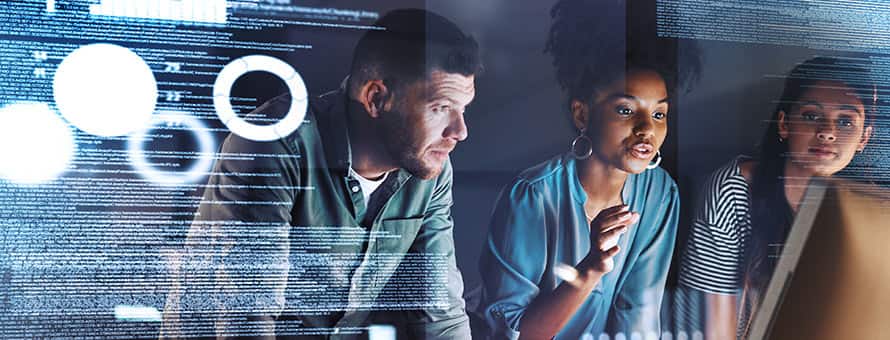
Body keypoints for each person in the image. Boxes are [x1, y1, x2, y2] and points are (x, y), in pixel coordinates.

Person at [160, 9, 483, 339]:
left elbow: (439, 311)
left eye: (463, 110)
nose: (460, 131)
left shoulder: (429, 170)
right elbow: (248, 319)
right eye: (441, 108)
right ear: (377, 98)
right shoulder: (274, 140)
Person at [473, 1, 698, 339]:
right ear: (582, 114)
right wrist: (591, 268)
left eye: (659, 114)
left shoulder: (660, 194)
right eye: (625, 110)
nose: (646, 129)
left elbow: (639, 314)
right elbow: (514, 333)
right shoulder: (533, 195)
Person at [677, 56, 875, 339]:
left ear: (863, 139)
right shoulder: (734, 189)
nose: (827, 132)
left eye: (845, 121)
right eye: (811, 115)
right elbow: (702, 319)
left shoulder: (871, 209)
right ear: (784, 124)